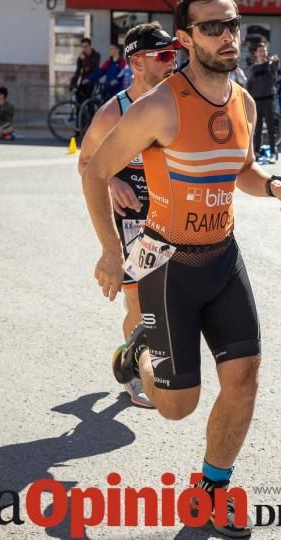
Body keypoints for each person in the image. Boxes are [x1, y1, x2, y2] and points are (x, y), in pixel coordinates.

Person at [82, 0, 281, 538]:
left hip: (223, 260)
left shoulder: (244, 103)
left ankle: (212, 489)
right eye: (212, 27)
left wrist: (273, 185)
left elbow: (240, 171)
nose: (227, 35)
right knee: (177, 405)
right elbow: (95, 168)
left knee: (245, 378)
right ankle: (139, 355)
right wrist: (111, 251)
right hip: (164, 267)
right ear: (187, 39)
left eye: (231, 23)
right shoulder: (158, 107)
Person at [78, 23, 179, 407]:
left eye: (176, 54)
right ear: (137, 62)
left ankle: (140, 356)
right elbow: (87, 162)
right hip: (134, 216)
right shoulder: (113, 112)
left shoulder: (176, 102)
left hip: (172, 212)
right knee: (138, 303)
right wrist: (112, 183)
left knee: (172, 301)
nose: (175, 62)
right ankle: (133, 369)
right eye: (165, 56)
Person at [246, 41, 279, 163]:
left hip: (268, 99)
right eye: (260, 50)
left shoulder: (270, 64)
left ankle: (272, 153)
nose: (262, 52)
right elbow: (249, 84)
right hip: (256, 100)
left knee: (271, 128)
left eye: (264, 50)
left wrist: (275, 62)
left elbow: (274, 70)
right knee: (257, 129)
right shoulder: (253, 68)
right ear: (256, 53)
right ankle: (256, 152)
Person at [70, 38, 101, 103]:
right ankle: (79, 111)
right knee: (78, 95)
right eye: (83, 47)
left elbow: (94, 67)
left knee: (88, 99)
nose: (85, 49)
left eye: (86, 46)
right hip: (84, 80)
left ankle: (90, 111)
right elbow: (78, 71)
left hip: (93, 80)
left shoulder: (96, 55)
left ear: (90, 46)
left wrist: (84, 59)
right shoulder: (80, 57)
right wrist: (73, 83)